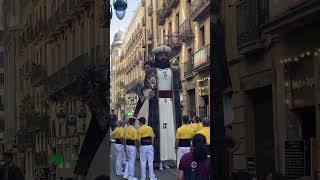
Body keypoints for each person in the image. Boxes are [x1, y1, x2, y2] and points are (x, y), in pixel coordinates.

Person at [134, 45, 182, 167]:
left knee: (171, 131)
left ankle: (171, 158)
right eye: (161, 55)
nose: (163, 57)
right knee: (158, 131)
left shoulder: (175, 71)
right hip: (157, 105)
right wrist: (147, 93)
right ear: (156, 57)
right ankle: (158, 158)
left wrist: (178, 102)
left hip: (171, 106)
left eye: (165, 55)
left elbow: (178, 88)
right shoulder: (151, 72)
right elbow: (146, 89)